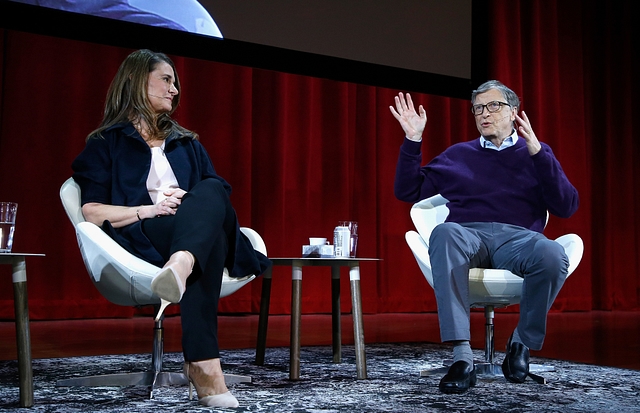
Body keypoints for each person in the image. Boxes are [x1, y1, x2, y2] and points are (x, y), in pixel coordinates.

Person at [72, 49, 270, 408]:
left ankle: (180, 265)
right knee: (203, 244)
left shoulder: (186, 142)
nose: (175, 89)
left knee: (210, 189)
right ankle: (203, 364)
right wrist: (149, 209)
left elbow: (216, 198)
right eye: (166, 79)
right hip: (147, 231)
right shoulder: (106, 143)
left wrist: (188, 198)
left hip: (192, 227)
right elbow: (92, 210)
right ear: (135, 81)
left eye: (175, 82)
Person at [390, 80, 579, 394]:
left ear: (513, 112)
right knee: (444, 233)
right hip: (469, 233)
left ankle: (520, 345)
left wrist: (539, 154)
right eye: (478, 108)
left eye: (493, 106)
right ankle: (462, 358)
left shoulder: (534, 153)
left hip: (518, 238)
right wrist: (413, 139)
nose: (484, 114)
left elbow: (567, 206)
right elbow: (407, 190)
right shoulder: (459, 155)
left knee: (552, 254)